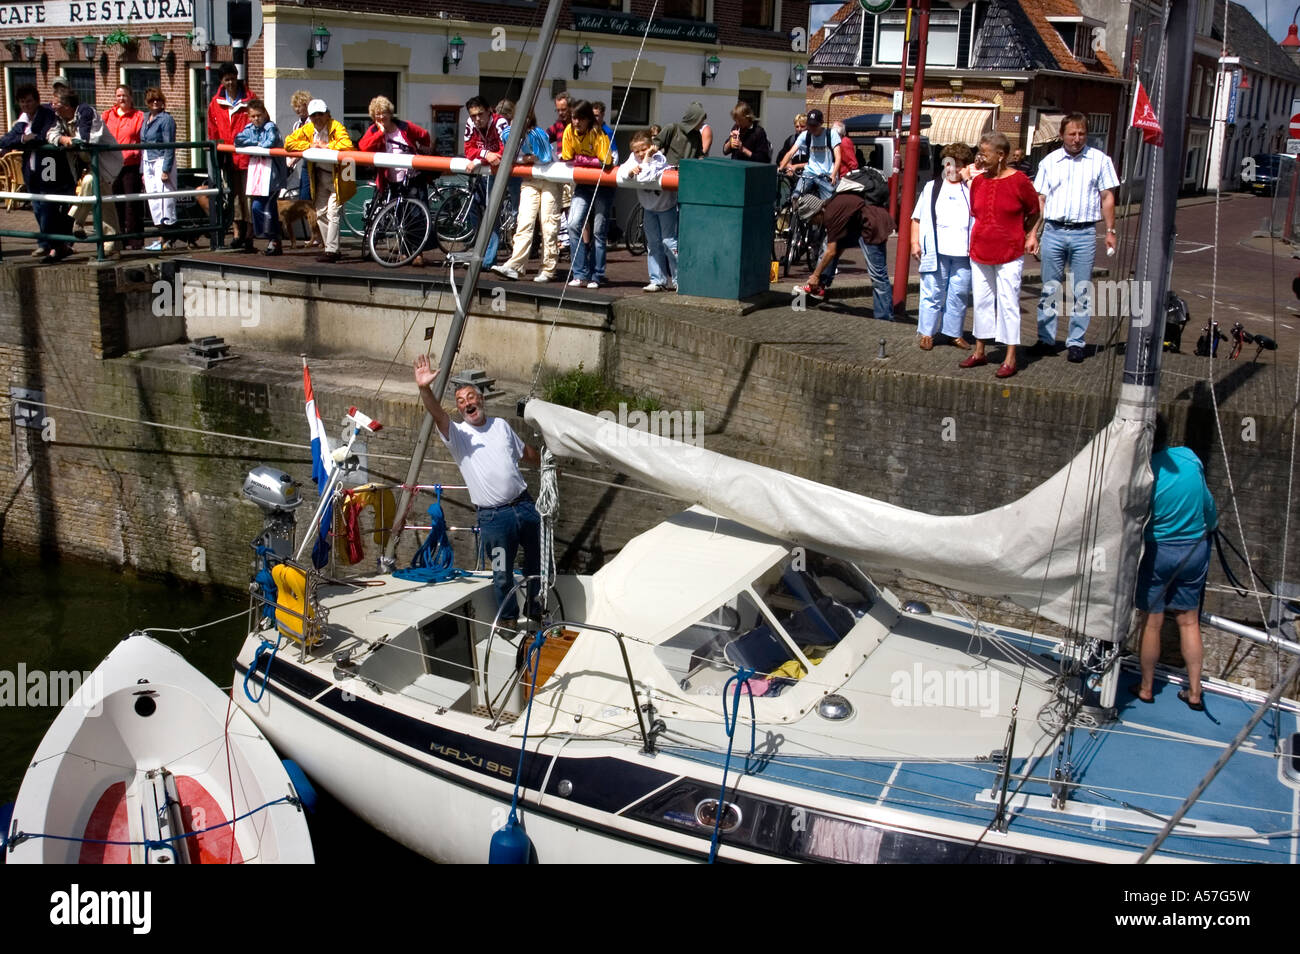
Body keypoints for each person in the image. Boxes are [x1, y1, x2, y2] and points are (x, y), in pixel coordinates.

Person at [412, 354, 542, 624]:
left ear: (480, 399)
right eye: (461, 401)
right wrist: (424, 388)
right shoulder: (458, 435)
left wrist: (547, 460)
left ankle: (536, 613)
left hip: (525, 506)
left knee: (537, 564)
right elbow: (437, 414)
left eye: (470, 397)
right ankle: (507, 621)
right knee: (501, 574)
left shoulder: (501, 426)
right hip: (494, 519)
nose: (467, 404)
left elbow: (525, 453)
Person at [1133, 413, 1218, 710]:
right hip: (1195, 550)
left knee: (1152, 623)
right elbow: (1208, 505)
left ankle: (1146, 688)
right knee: (1188, 621)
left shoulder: (1143, 472)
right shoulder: (1190, 458)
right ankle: (1194, 692)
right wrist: (1211, 524)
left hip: (1159, 552)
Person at [1031, 113, 1119, 363]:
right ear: (1062, 135)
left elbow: (1107, 198)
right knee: (1050, 288)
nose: (1077, 138)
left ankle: (1076, 342)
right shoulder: (1049, 162)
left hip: (1084, 233)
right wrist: (1033, 232)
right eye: (1072, 133)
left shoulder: (1100, 161)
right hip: (1054, 231)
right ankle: (1046, 339)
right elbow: (1041, 200)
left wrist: (1111, 231)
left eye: (1081, 133)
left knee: (1081, 290)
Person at [958, 131, 1040, 378]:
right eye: (979, 152)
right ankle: (980, 350)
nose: (980, 157)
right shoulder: (980, 182)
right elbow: (977, 213)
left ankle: (1010, 356)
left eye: (984, 153)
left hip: (1009, 252)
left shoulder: (1020, 181)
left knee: (1008, 302)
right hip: (980, 249)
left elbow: (1034, 211)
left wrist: (1027, 234)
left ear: (1001, 155)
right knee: (982, 301)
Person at [910, 143, 974, 351]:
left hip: (964, 252)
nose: (952, 169)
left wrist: (971, 181)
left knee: (959, 292)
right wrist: (914, 242)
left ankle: (953, 333)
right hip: (936, 250)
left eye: (957, 165)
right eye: (948, 164)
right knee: (932, 291)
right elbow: (917, 218)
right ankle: (927, 332)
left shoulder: (972, 188)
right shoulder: (932, 187)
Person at [1, 84, 76, 261]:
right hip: (32, 170)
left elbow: (42, 136)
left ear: (36, 101)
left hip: (49, 167)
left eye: (29, 101)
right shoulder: (23, 118)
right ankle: (52, 244)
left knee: (48, 208)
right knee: (37, 207)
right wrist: (22, 139)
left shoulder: (47, 115)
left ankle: (51, 245)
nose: (25, 105)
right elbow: (7, 139)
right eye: (22, 102)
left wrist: (27, 139)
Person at [795, 188, 894, 320]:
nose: (812, 223)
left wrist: (815, 274)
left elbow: (830, 251)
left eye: (811, 220)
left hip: (873, 226)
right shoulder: (831, 206)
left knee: (878, 275)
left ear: (816, 213)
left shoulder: (830, 215)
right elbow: (837, 247)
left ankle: (884, 318)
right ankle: (819, 287)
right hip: (862, 225)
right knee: (837, 244)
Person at [358, 95, 432, 265]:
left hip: (412, 177)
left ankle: (418, 254)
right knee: (399, 216)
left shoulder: (404, 127)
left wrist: (422, 149)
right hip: (390, 179)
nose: (381, 117)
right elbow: (363, 146)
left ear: (390, 113)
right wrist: (380, 134)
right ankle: (405, 252)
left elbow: (424, 135)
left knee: (415, 215)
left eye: (384, 113)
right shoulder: (374, 131)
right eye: (377, 114)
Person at [491, 109, 561, 282]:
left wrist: (528, 159)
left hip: (549, 179)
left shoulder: (538, 134)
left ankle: (548, 268)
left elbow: (544, 158)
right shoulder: (507, 134)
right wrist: (524, 159)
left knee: (548, 224)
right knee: (524, 222)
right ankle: (515, 265)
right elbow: (508, 155)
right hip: (529, 179)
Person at [49, 91, 122, 254]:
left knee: (91, 183)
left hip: (104, 162)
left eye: (56, 104)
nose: (53, 107)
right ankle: (113, 246)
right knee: (105, 203)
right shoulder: (60, 118)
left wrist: (71, 140)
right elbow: (50, 134)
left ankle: (77, 220)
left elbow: (87, 139)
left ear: (67, 106)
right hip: (87, 163)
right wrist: (62, 139)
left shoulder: (86, 112)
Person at [285, 99, 355, 263]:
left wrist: (325, 146)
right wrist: (310, 145)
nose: (317, 118)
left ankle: (331, 250)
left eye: (320, 114)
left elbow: (347, 144)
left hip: (340, 175)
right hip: (320, 175)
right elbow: (289, 143)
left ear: (327, 114)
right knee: (321, 213)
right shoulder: (308, 128)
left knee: (333, 212)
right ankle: (329, 247)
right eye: (314, 115)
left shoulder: (336, 126)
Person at [560, 99, 613, 289]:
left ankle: (597, 275)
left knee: (599, 231)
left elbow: (606, 162)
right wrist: (589, 160)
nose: (576, 122)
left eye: (580, 119)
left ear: (588, 119)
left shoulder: (599, 133)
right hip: (583, 184)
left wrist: (581, 159)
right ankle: (580, 273)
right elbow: (567, 157)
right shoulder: (569, 132)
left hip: (603, 186)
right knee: (573, 224)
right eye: (574, 118)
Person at [618, 128, 677, 292]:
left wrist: (646, 159)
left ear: (651, 146)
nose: (640, 154)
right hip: (649, 207)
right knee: (653, 244)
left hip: (666, 206)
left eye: (644, 149)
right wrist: (630, 171)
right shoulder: (633, 158)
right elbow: (622, 172)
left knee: (669, 242)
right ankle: (658, 280)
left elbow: (645, 178)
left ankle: (679, 280)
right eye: (636, 151)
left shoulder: (658, 158)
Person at [207, 63, 256, 250]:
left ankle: (250, 233)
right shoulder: (216, 103)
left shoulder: (249, 98)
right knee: (234, 196)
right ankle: (237, 232)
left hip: (247, 155)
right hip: (228, 156)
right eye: (226, 79)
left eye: (232, 78)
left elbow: (257, 120)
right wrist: (215, 149)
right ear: (221, 81)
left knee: (248, 195)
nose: (230, 82)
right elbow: (212, 129)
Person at [234, 99, 287, 256]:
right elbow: (238, 139)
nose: (256, 119)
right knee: (258, 207)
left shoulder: (271, 127)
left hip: (273, 175)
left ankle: (274, 240)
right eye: (253, 116)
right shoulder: (250, 128)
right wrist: (256, 141)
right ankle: (270, 237)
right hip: (258, 175)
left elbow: (270, 142)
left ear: (264, 114)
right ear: (249, 117)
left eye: (259, 115)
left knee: (267, 208)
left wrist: (254, 145)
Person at [463, 96, 505, 268]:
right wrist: (484, 156)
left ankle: (488, 260)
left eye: (480, 114)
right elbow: (468, 150)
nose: (477, 119)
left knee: (492, 213)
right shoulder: (470, 124)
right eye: (473, 115)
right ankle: (481, 251)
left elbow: (505, 150)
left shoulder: (500, 123)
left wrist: (481, 157)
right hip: (483, 169)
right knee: (474, 208)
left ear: (490, 111)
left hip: (502, 173)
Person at [105, 85, 145, 250]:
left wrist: (134, 151)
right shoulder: (107, 115)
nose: (121, 99)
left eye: (124, 96)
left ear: (131, 97)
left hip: (130, 165)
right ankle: (118, 238)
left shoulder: (138, 116)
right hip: (112, 166)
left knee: (131, 203)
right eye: (118, 96)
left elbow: (141, 139)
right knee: (115, 203)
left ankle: (135, 239)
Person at [139, 88, 177, 250]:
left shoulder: (166, 119)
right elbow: (143, 143)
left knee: (165, 200)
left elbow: (170, 145)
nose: (155, 103)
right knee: (153, 199)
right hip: (148, 160)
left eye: (158, 100)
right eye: (151, 100)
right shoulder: (146, 118)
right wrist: (142, 169)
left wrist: (166, 169)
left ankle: (168, 238)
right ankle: (160, 237)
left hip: (161, 160)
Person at [778, 108, 840, 199]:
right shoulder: (805, 135)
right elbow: (790, 153)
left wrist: (833, 175)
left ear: (821, 123)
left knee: (829, 202)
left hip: (826, 174)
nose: (812, 128)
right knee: (796, 196)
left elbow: (838, 157)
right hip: (810, 172)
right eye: (810, 125)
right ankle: (795, 211)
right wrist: (780, 169)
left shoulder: (831, 134)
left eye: (815, 125)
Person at [654, 102, 707, 166]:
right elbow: (654, 147)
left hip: (688, 172)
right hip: (670, 172)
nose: (702, 124)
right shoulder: (672, 128)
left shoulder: (697, 134)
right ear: (694, 120)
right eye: (701, 121)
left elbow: (700, 156)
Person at [284, 89, 314, 202]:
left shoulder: (312, 123)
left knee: (307, 196)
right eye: (295, 106)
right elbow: (295, 145)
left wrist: (293, 161)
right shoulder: (297, 125)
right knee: (304, 196)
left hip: (315, 163)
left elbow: (308, 145)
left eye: (299, 106)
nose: (297, 109)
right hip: (305, 163)